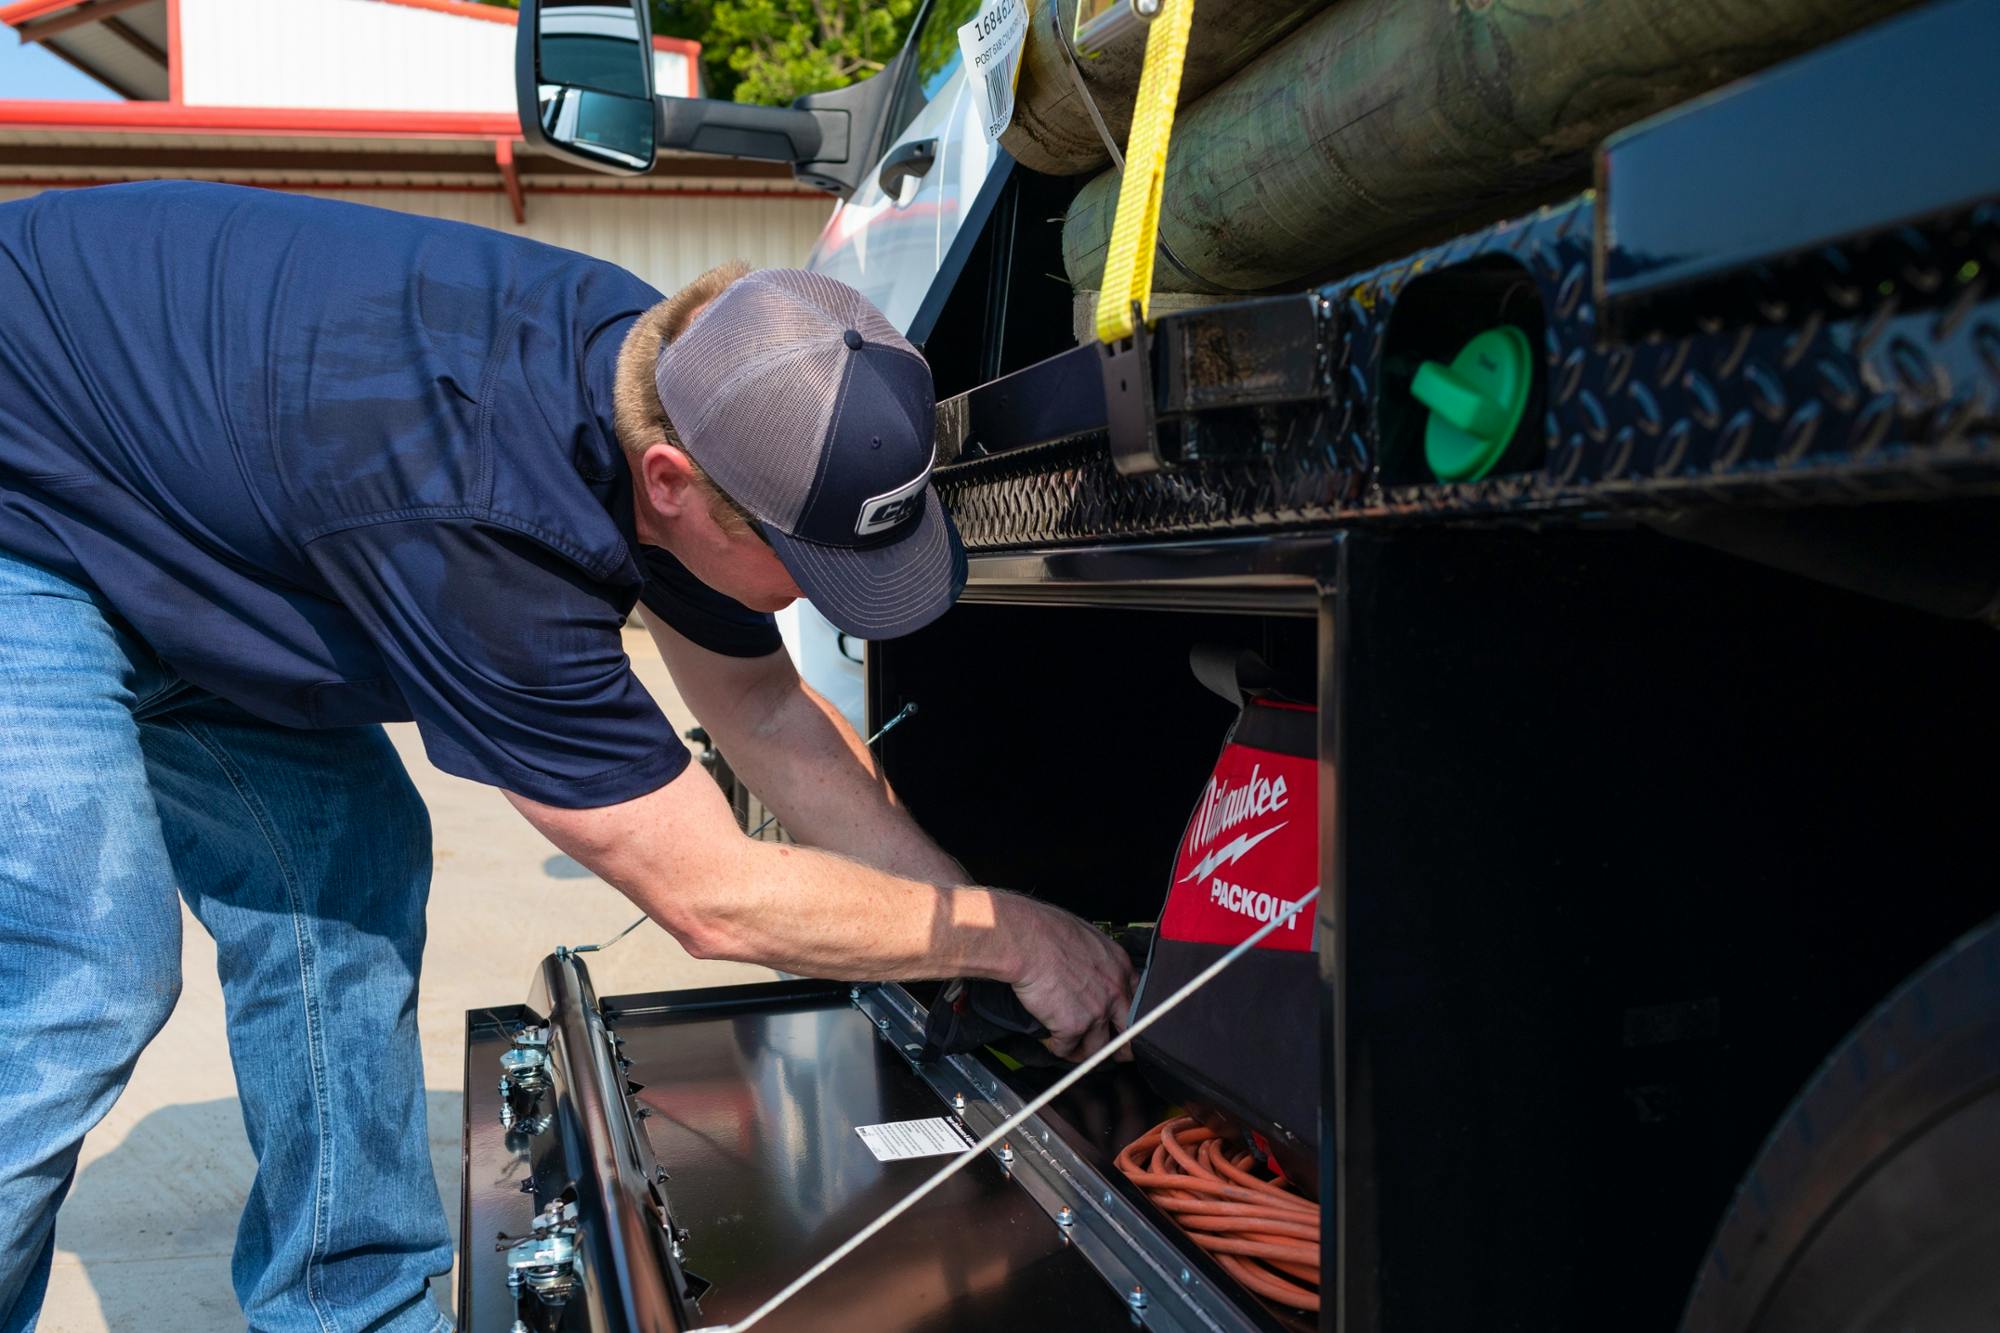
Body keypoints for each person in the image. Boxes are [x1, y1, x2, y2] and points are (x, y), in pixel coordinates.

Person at [0, 181, 1134, 1333]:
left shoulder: (680, 371)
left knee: (348, 867)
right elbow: (711, 895)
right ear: (672, 488)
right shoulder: (490, 519)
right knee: (85, 970)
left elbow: (764, 711)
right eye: (809, 565)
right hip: (23, 499)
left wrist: (961, 929)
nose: (818, 599)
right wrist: (1018, 931)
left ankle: (345, 1306)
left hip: (178, 507)